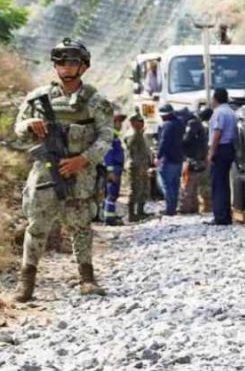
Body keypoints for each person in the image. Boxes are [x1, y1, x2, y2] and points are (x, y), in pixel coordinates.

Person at [12, 38, 113, 302]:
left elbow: (106, 137)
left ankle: (87, 279)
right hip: (46, 171)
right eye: (60, 62)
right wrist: (30, 124)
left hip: (80, 173)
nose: (66, 67)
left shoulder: (95, 101)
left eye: (72, 62)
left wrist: (84, 159)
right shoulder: (38, 98)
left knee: (81, 226)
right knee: (37, 225)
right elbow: (18, 130)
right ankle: (26, 283)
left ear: (84, 66)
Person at [206, 88, 236, 225]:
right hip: (229, 147)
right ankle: (226, 214)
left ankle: (220, 216)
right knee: (224, 183)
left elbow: (217, 132)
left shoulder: (219, 112)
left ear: (215, 99)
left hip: (220, 148)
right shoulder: (231, 112)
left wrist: (211, 152)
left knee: (217, 183)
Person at [178, 107, 207, 214]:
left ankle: (185, 208)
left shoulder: (192, 124)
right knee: (194, 185)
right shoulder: (198, 124)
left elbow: (186, 140)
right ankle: (193, 207)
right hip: (198, 158)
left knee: (187, 184)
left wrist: (178, 140)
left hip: (192, 159)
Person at [156, 103, 184, 216]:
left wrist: (158, 156)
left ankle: (170, 209)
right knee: (175, 184)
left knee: (166, 184)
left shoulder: (167, 125)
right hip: (178, 158)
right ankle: (173, 207)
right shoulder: (180, 123)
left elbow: (164, 142)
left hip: (168, 159)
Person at [124, 112, 151, 222]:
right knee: (134, 189)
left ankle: (140, 211)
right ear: (133, 122)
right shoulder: (132, 134)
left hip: (142, 165)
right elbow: (131, 148)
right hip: (135, 166)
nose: (142, 123)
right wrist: (137, 133)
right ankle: (131, 214)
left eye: (142, 121)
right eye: (139, 121)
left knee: (144, 188)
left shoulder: (140, 133)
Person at [101, 111, 127, 225]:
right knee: (111, 194)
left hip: (116, 168)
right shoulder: (110, 136)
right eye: (118, 122)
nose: (120, 125)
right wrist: (110, 171)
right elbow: (108, 154)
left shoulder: (114, 136)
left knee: (110, 194)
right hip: (113, 169)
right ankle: (110, 219)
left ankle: (107, 215)